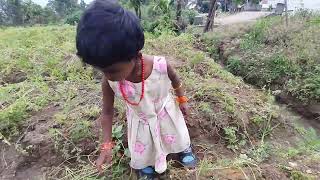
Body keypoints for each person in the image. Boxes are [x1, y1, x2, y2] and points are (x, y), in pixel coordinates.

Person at [76, 0, 196, 179]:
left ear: (134, 53)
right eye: (101, 70)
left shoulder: (160, 66)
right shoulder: (108, 81)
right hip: (140, 120)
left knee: (176, 134)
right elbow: (107, 113)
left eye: (112, 70)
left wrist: (182, 99)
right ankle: (147, 164)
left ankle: (183, 150)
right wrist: (106, 145)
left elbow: (175, 79)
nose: (108, 76)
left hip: (165, 112)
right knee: (143, 147)